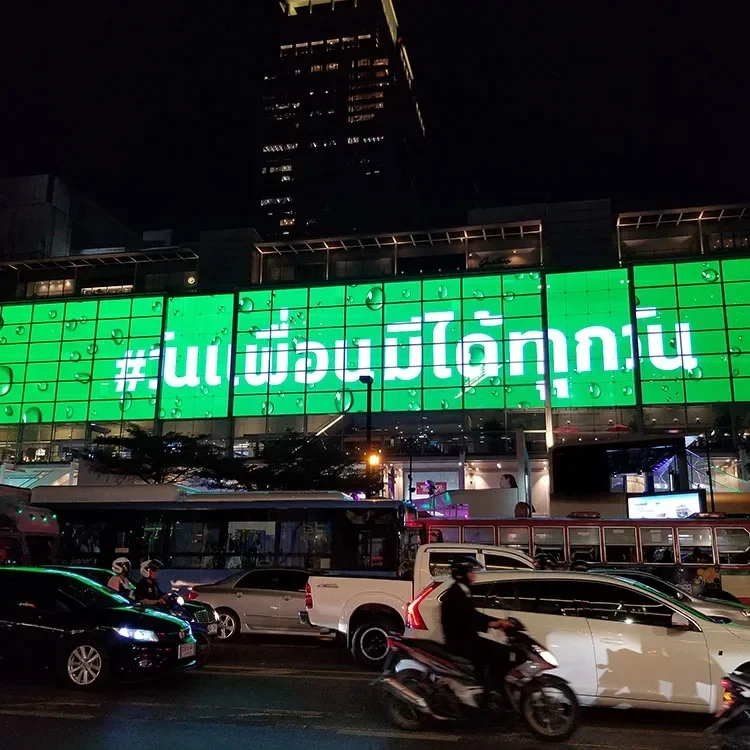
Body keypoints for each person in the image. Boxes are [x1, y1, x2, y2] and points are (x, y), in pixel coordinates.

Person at [440, 559, 513, 706]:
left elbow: (473, 615)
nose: (474, 575)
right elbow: (467, 618)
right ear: (462, 575)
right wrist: (493, 623)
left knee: (500, 651)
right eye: (471, 572)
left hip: (468, 638)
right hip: (460, 641)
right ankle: (489, 693)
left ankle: (491, 690)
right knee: (499, 653)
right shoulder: (455, 594)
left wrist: (497, 621)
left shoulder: (462, 591)